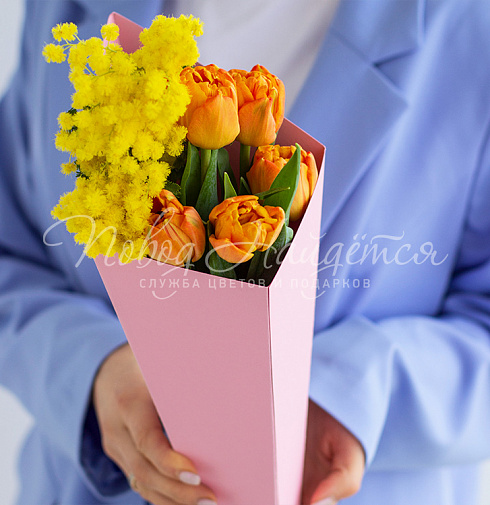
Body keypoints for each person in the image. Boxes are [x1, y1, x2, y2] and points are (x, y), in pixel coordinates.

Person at [1, 0, 489, 504]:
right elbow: (11, 253)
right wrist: (91, 366)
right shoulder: (63, 14)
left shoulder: (470, 29)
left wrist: (354, 391)